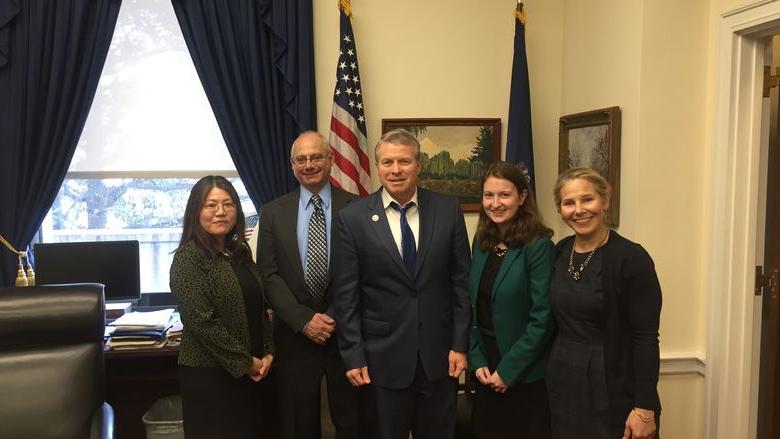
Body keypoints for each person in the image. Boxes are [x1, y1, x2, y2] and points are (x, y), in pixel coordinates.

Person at [332, 128, 471, 439]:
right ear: (377, 166)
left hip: (440, 358)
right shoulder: (353, 218)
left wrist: (459, 344)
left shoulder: (448, 210)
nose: (395, 170)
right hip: (382, 359)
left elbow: (460, 284)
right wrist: (353, 354)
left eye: (404, 162)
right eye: (387, 162)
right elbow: (347, 295)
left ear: (418, 165)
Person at [257, 131, 361, 439]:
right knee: (297, 425)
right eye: (300, 159)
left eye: (316, 157)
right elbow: (268, 274)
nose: (309, 164)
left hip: (346, 336)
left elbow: (363, 272)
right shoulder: (273, 212)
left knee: (352, 423)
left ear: (331, 161)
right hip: (293, 338)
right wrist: (304, 320)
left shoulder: (358, 209)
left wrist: (331, 318)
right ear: (291, 165)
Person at [547, 167, 662, 439]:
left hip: (612, 386)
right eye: (568, 203)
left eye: (587, 199)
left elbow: (646, 337)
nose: (579, 210)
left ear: (605, 201)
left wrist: (645, 407)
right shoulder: (559, 252)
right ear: (560, 209)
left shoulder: (632, 259)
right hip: (562, 383)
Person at [170, 176, 276, 439]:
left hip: (254, 371)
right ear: (196, 211)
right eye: (211, 205)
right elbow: (202, 324)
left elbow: (260, 308)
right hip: (211, 377)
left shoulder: (240, 253)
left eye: (228, 204)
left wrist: (268, 353)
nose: (220, 212)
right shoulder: (188, 258)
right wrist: (245, 362)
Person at [468, 161, 556, 439]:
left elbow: (543, 317)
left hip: (523, 373)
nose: (495, 203)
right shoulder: (482, 241)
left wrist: (508, 371)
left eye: (504, 195)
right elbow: (472, 308)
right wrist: (476, 358)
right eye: (488, 195)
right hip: (484, 369)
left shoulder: (538, 246)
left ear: (522, 196)